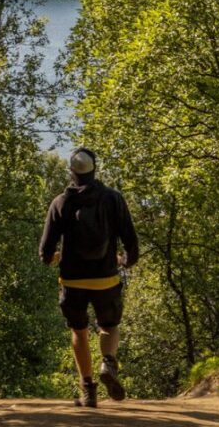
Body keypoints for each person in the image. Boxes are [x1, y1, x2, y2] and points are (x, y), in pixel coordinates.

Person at [39, 148, 140, 407]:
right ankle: (108, 362)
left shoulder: (60, 202)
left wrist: (54, 258)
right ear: (95, 169)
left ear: (71, 172)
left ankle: (88, 390)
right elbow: (131, 243)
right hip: (105, 278)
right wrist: (123, 261)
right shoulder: (113, 199)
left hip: (72, 281)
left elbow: (45, 251)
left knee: (79, 331)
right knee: (109, 325)